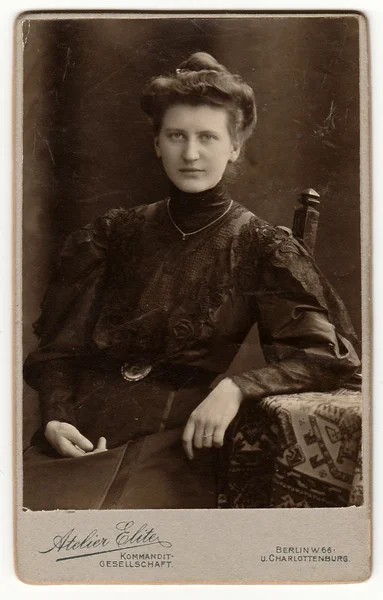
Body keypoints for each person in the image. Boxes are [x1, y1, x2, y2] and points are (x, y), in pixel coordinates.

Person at [23, 52, 360, 510]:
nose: (191, 153)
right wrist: (55, 420)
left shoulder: (261, 246)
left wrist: (236, 386)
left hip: (173, 442)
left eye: (208, 137)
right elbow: (59, 352)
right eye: (176, 136)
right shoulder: (111, 234)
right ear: (157, 143)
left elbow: (328, 357)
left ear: (234, 147)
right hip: (74, 437)